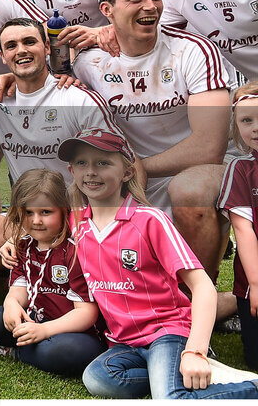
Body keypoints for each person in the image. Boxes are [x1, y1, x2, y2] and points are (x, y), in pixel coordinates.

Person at [62, 128, 258, 399]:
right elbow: (39, 232)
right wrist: (12, 242)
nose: (91, 171)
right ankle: (178, 374)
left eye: (103, 162)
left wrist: (195, 350)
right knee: (98, 379)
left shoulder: (149, 220)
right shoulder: (78, 223)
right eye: (82, 163)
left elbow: (202, 286)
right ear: (71, 170)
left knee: (170, 398)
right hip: (124, 342)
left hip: (167, 332)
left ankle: (242, 387)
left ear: (128, 172)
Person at [72, 0, 231, 292]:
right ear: (107, 10)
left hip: (192, 171)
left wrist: (135, 167)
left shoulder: (193, 51)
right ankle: (217, 304)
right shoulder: (87, 63)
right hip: (129, 181)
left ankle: (194, 301)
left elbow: (209, 147)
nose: (150, 6)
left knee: (190, 192)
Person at [0, 17, 129, 275]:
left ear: (46, 48)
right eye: (11, 46)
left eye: (29, 42)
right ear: (2, 56)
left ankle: (47, 276)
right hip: (27, 216)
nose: (21, 50)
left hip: (81, 215)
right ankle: (17, 280)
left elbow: (122, 163)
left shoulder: (77, 99)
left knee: (82, 274)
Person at [0, 169, 104, 377]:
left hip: (73, 332)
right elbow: (19, 291)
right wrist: (11, 305)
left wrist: (44, 331)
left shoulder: (75, 250)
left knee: (75, 353)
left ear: (63, 210)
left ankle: (11, 351)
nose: (36, 221)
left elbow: (87, 313)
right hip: (35, 320)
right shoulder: (23, 245)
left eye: (45, 212)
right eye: (28, 212)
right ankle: (4, 336)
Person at [219, 83, 258, 370]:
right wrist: (256, 285)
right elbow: (243, 230)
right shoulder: (241, 169)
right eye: (247, 120)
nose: (255, 127)